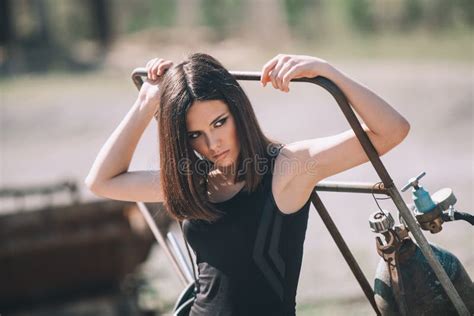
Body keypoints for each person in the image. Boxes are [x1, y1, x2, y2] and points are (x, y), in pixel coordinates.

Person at [85, 53, 410, 315]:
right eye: (194, 134)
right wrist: (146, 103)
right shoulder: (193, 181)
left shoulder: (287, 168)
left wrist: (328, 73)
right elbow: (102, 181)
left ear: (238, 109)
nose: (212, 143)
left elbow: (391, 131)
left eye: (219, 122)